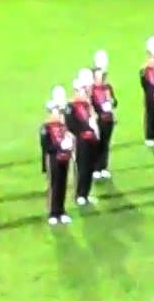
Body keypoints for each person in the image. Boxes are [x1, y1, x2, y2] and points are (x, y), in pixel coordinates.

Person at [39, 86, 75, 226]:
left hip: (64, 158)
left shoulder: (63, 126)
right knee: (54, 184)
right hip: (53, 159)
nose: (58, 115)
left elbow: (70, 138)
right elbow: (46, 146)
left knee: (63, 184)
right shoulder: (46, 127)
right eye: (56, 112)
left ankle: (61, 210)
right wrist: (60, 146)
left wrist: (69, 144)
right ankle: (53, 212)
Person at [66, 69, 101, 208]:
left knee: (90, 167)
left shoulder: (88, 104)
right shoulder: (72, 105)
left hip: (91, 139)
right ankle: (79, 194)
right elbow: (70, 126)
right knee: (82, 168)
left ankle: (86, 194)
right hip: (81, 141)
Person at [90, 50, 117, 180]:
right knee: (97, 145)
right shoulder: (91, 90)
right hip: (98, 120)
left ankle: (103, 167)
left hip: (108, 120)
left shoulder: (108, 88)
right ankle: (95, 168)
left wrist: (111, 102)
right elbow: (90, 105)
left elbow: (115, 102)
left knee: (105, 145)